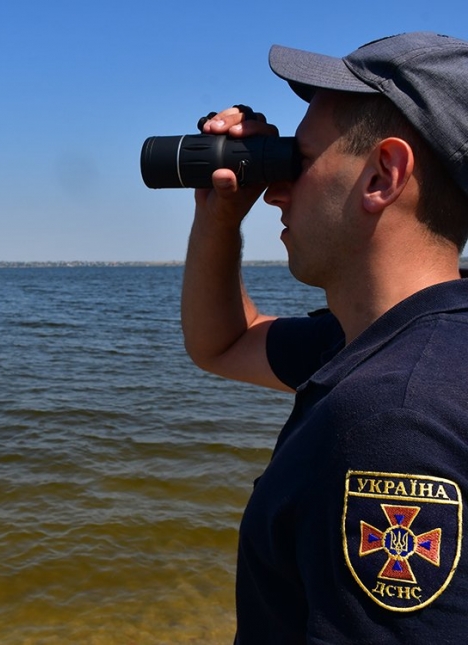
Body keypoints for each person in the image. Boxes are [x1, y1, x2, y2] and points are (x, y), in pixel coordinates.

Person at [180, 33, 468, 641]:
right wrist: (218, 214)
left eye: (300, 162)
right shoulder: (395, 344)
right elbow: (225, 343)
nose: (275, 191)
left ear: (382, 176)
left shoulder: (394, 418)